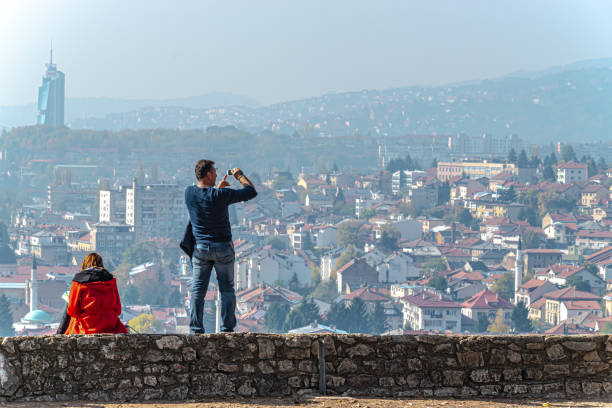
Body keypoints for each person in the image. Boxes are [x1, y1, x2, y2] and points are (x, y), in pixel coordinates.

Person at [184, 160, 257, 333]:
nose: (217, 174)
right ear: (208, 174)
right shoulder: (220, 196)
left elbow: (206, 198)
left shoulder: (189, 193)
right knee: (226, 289)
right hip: (223, 247)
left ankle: (196, 329)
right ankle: (227, 329)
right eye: (215, 172)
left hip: (201, 248)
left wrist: (217, 189)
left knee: (198, 289)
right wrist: (239, 175)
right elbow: (251, 192)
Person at [57, 252, 127, 335]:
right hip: (110, 326)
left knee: (71, 312)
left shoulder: (78, 281)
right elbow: (118, 309)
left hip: (87, 327)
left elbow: (72, 311)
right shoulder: (110, 281)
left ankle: (58, 335)